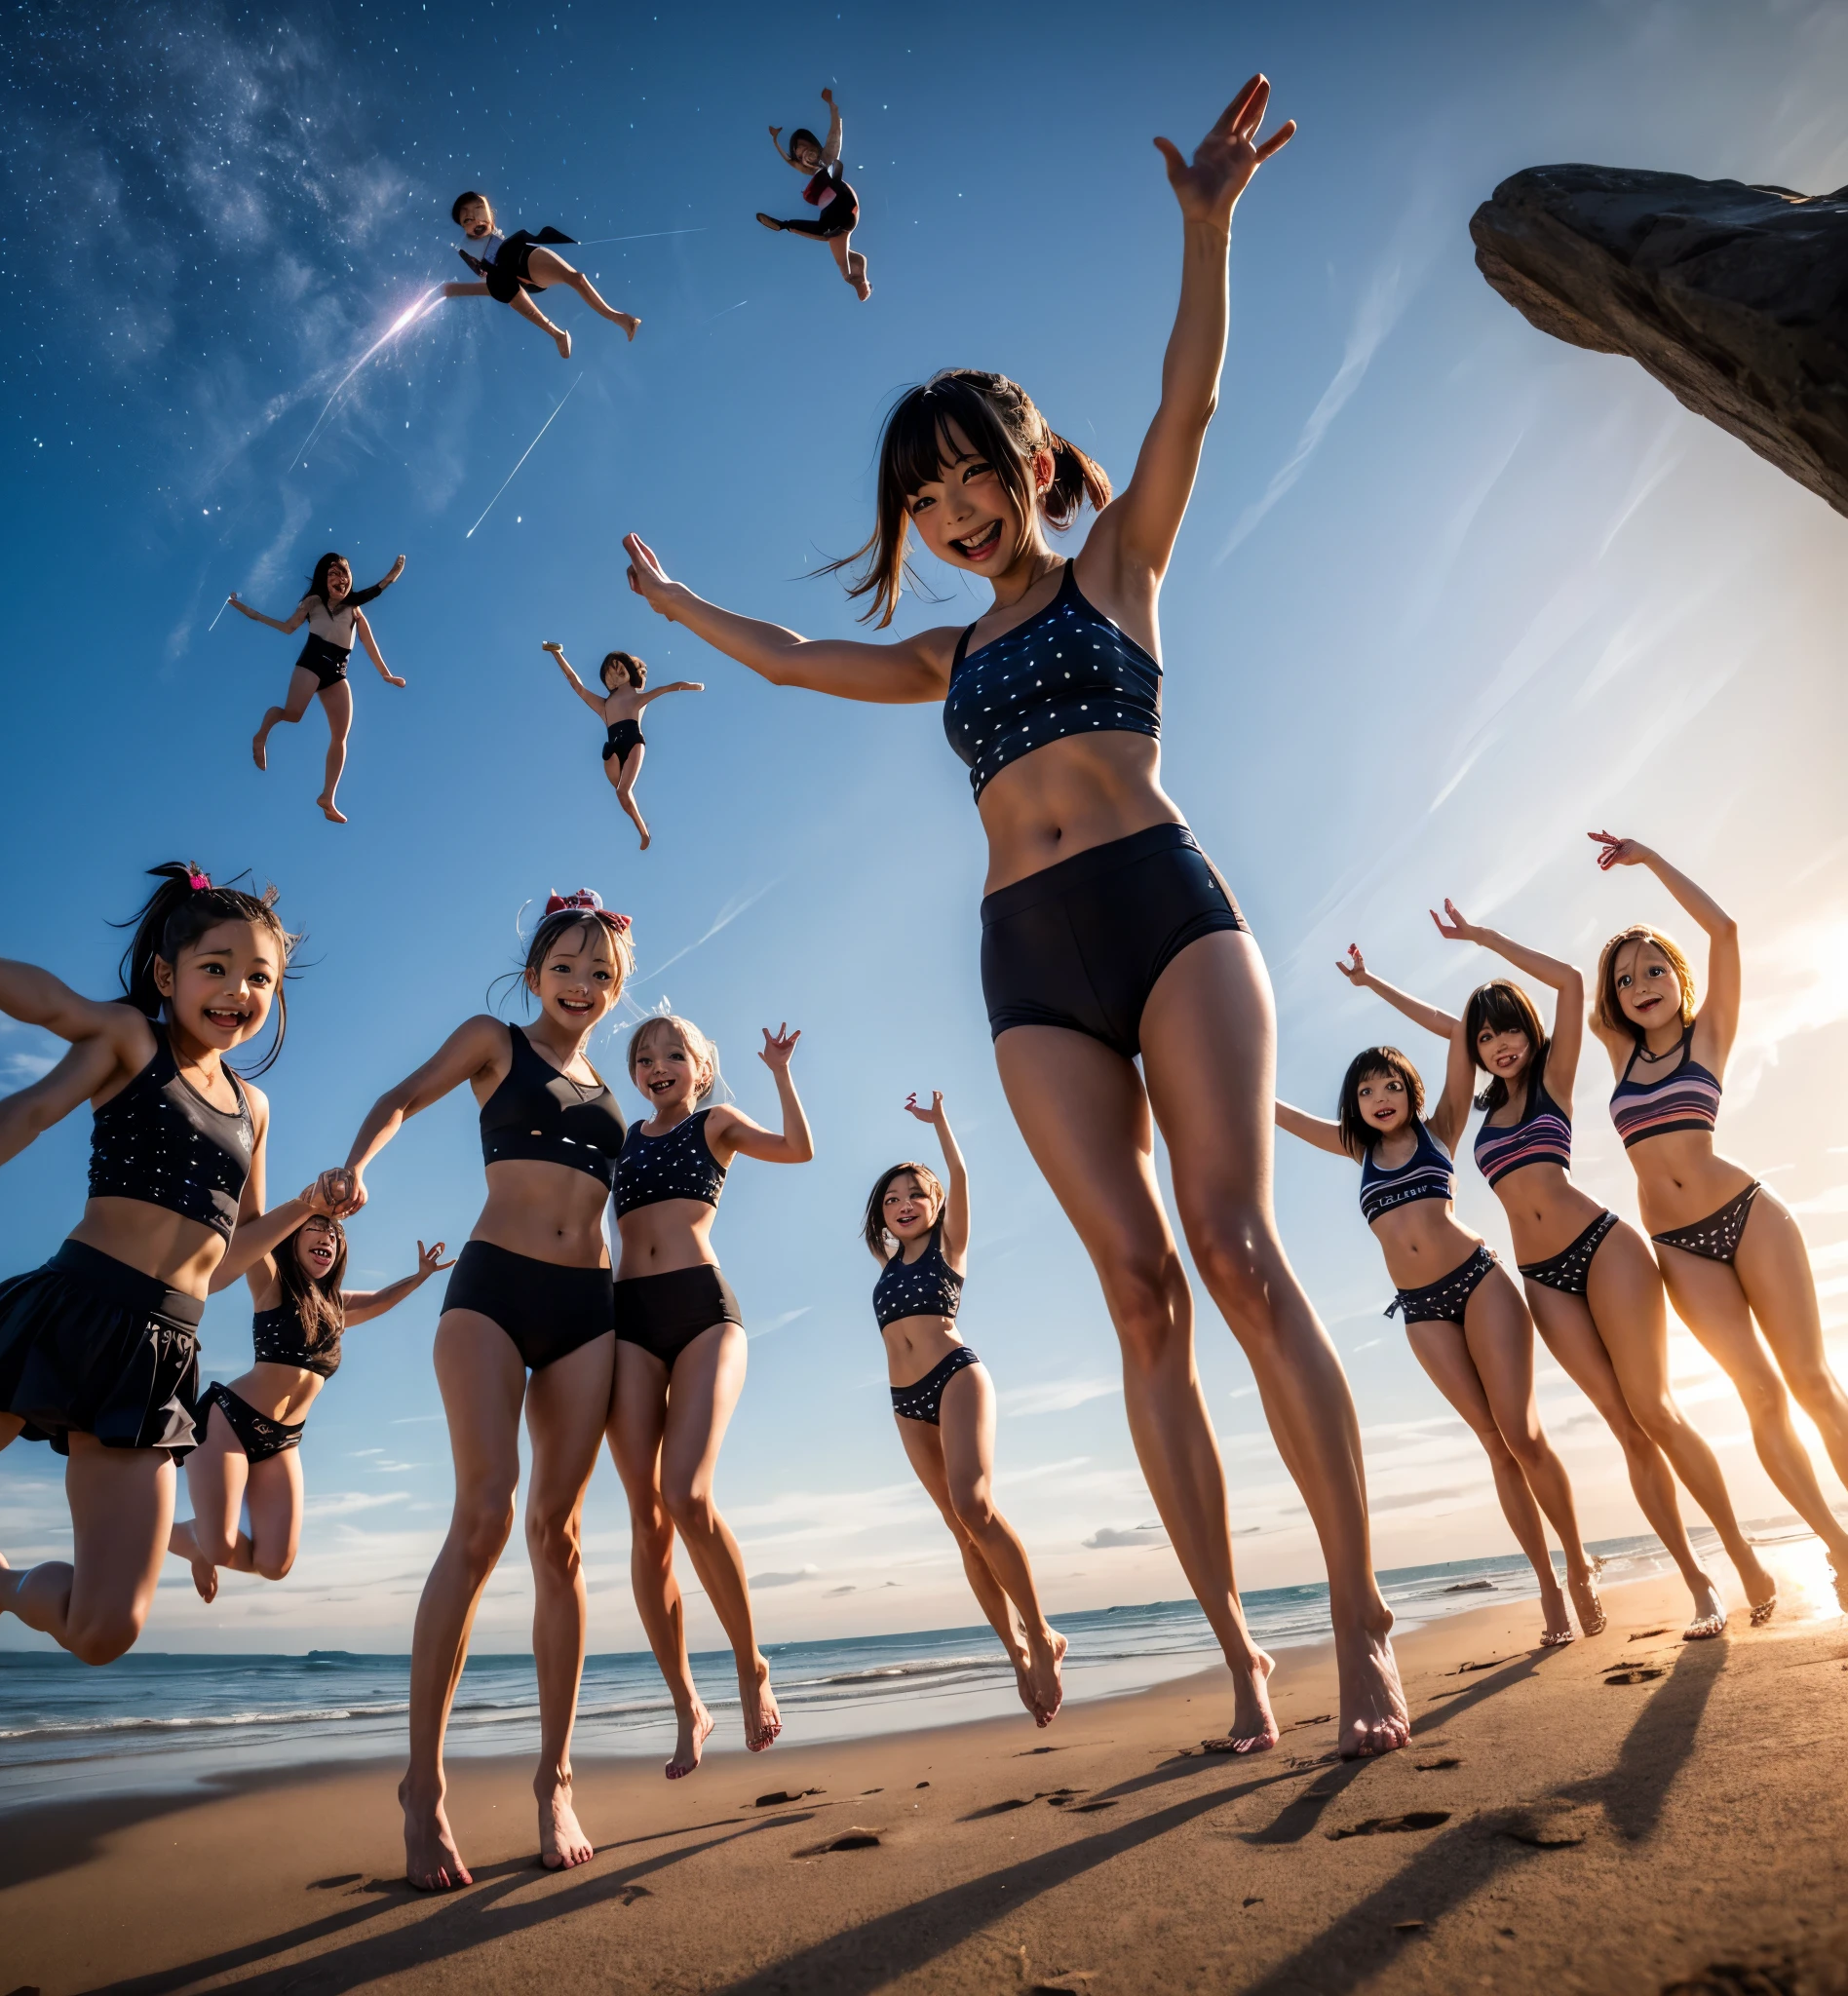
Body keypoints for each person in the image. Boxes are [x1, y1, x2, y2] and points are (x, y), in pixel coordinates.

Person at [626, 76, 1411, 1758]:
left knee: (1236, 1252)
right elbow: (782, 655)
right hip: (1027, 961)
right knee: (1138, 1294)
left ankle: (1357, 1620)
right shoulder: (941, 658)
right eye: (921, 497)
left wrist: (1205, 232)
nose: (952, 508)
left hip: (1166, 910)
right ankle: (1239, 1657)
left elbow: (1186, 402)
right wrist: (673, 600)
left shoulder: (1114, 566)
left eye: (970, 472)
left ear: (1029, 463)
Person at [0, 864, 344, 1670]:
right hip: (64, 1314)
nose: (237, 991)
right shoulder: (131, 1040)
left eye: (260, 976)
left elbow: (225, 1265)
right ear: (166, 974)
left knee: (106, 1630)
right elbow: (41, 1050)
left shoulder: (254, 1110)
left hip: (156, 1363)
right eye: (214, 967)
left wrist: (302, 1208)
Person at [1345, 919, 1781, 1636]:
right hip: (1542, 1277)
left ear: (1529, 1030)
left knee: (1656, 1412)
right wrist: (1371, 986)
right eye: (1486, 1038)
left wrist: (1485, 939)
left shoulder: (1553, 1076)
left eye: (1508, 1029)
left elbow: (1573, 985)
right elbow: (1443, 1029)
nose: (1499, 1045)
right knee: (1623, 1428)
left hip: (1604, 1246)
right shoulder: (1473, 1118)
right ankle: (1699, 1583)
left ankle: (1742, 1554)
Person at [336, 890, 631, 1886]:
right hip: (492, 1291)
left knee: (561, 1533)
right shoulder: (493, 1040)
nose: (582, 985)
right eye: (565, 965)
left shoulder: (611, 1082)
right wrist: (355, 1166)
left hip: (588, 1305)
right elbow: (399, 1099)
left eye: (600, 973)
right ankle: (423, 1785)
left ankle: (554, 1779)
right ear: (534, 968)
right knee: (482, 1515)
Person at [1590, 831, 1848, 1604]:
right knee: (1759, 1398)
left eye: (1655, 968)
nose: (1641, 984)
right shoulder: (1615, 1051)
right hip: (1681, 1249)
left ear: (1679, 976)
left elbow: (1726, 931)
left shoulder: (1709, 1037)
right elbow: (1565, 992)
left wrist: (1650, 861)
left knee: (1810, 1381)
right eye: (1626, 977)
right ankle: (1838, 1547)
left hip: (1747, 1215)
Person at [1277, 1048, 1602, 1647]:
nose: (1381, 1098)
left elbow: (1458, 1039)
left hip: (1480, 1283)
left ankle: (1579, 1564)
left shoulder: (1440, 1130)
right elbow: (1278, 1114)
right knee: (1494, 1446)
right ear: (1355, 1104)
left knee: (1523, 1436)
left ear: (1411, 1091)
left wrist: (1372, 981)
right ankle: (1548, 1586)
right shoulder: (1358, 1148)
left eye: (1392, 1085)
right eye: (1368, 1089)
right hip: (1422, 1309)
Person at [606, 1014, 811, 1777]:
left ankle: (751, 1664)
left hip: (703, 1312)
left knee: (687, 1494)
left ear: (700, 1067)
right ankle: (687, 1704)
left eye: (674, 1055)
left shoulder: (715, 1123)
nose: (658, 1065)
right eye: (644, 1056)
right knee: (647, 1520)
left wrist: (781, 1074)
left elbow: (798, 1149)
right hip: (627, 1322)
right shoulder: (619, 1139)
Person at [866, 1093, 1067, 1721]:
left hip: (955, 1377)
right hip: (905, 1401)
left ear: (937, 1207)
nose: (904, 1204)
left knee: (973, 1505)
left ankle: (1041, 1633)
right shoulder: (885, 1261)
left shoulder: (948, 1246)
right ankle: (1015, 1654)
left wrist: (941, 1126)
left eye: (915, 1195)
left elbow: (960, 1176)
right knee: (960, 1530)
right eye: (892, 1198)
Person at [169, 1223, 453, 1599]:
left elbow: (380, 1300)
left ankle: (200, 1538)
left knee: (275, 1565)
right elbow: (254, 1222)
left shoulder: (335, 1307)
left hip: (284, 1440)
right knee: (219, 1547)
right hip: (229, 1421)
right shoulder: (272, 1283)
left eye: (334, 1235)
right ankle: (191, 1540)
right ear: (292, 1239)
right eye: (316, 1230)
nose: (327, 1239)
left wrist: (419, 1278)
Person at [226, 551, 407, 825]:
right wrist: (249, 611)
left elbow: (369, 643)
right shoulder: (313, 601)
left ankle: (327, 797)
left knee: (340, 736)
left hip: (337, 671)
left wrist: (387, 674)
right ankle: (261, 734)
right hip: (311, 661)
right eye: (332, 573)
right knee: (293, 714)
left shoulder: (355, 609)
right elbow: (288, 627)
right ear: (324, 580)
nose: (339, 579)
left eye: (343, 573)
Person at [541, 641, 704, 850]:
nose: (613, 674)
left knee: (623, 792)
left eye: (617, 669)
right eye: (609, 672)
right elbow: (576, 685)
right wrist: (558, 655)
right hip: (612, 748)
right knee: (621, 793)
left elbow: (667, 688)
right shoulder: (604, 705)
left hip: (633, 741)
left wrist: (691, 686)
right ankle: (636, 816)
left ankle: (644, 833)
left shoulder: (639, 698)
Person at [443, 194, 640, 357]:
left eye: (478, 210)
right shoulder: (469, 253)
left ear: (489, 214)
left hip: (522, 258)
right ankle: (558, 335)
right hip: (507, 280)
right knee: (497, 280)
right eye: (467, 220)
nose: (475, 220)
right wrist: (459, 289)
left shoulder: (504, 240)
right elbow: (490, 287)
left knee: (575, 278)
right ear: (464, 229)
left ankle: (619, 318)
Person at [757, 90, 869, 301]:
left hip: (843, 204)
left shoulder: (827, 157)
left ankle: (851, 275)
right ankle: (783, 225)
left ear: (814, 145)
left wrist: (832, 106)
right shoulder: (805, 169)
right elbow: (789, 162)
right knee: (834, 247)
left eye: (806, 148)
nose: (804, 154)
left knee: (834, 235)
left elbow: (835, 132)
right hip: (829, 217)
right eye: (799, 153)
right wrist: (775, 141)